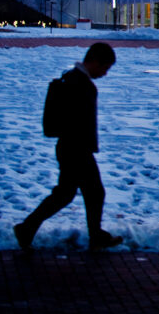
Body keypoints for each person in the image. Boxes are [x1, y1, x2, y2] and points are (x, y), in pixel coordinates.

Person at [14, 42, 123, 252]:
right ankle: (94, 236)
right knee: (90, 192)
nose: (105, 73)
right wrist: (85, 145)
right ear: (94, 62)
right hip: (76, 149)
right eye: (104, 68)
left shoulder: (71, 79)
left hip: (70, 147)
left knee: (68, 194)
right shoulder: (79, 84)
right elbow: (78, 120)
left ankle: (27, 228)